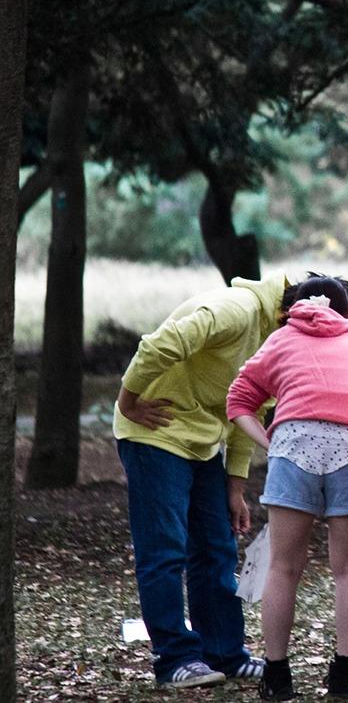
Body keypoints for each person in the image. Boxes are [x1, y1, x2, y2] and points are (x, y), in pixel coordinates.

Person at [114, 273, 287, 689]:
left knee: (216, 548)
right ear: (290, 312)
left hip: (203, 442)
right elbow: (160, 343)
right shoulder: (236, 310)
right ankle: (174, 659)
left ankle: (224, 654)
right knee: (165, 550)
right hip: (155, 433)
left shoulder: (276, 341)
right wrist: (128, 401)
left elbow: (250, 407)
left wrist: (234, 488)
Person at [225, 274, 348, 700]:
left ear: (294, 306)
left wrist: (270, 441)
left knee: (283, 566)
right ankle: (344, 674)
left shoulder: (279, 340)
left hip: (294, 446)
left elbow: (238, 400)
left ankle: (276, 675)